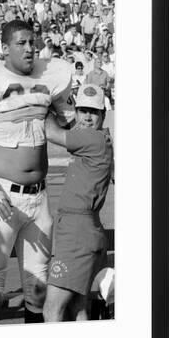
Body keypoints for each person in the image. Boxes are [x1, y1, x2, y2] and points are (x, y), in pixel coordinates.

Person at [0, 20, 75, 325]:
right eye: (21, 43)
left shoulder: (52, 76)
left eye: (32, 42)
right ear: (4, 48)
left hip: (40, 198)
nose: (30, 48)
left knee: (38, 291)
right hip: (2, 198)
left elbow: (70, 126)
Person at [43, 84, 114, 322]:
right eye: (83, 110)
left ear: (103, 114)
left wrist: (44, 103)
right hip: (83, 228)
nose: (87, 116)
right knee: (77, 307)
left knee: (52, 310)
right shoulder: (100, 138)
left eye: (93, 112)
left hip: (76, 232)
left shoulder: (92, 138)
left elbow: (51, 132)